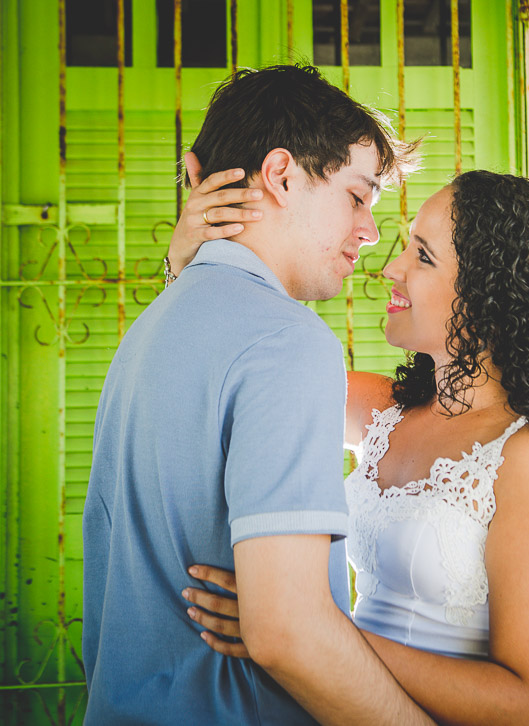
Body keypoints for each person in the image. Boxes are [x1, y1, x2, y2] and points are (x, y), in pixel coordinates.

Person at [166, 168, 529, 724]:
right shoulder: (380, 408)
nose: (392, 266)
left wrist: (314, 635)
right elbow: (223, 376)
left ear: (489, 297)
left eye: (424, 256)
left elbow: (526, 705)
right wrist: (188, 266)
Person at [82, 64, 431, 725]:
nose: (368, 235)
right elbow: (289, 635)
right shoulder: (286, 343)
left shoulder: (153, 326)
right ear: (281, 174)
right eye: (357, 198)